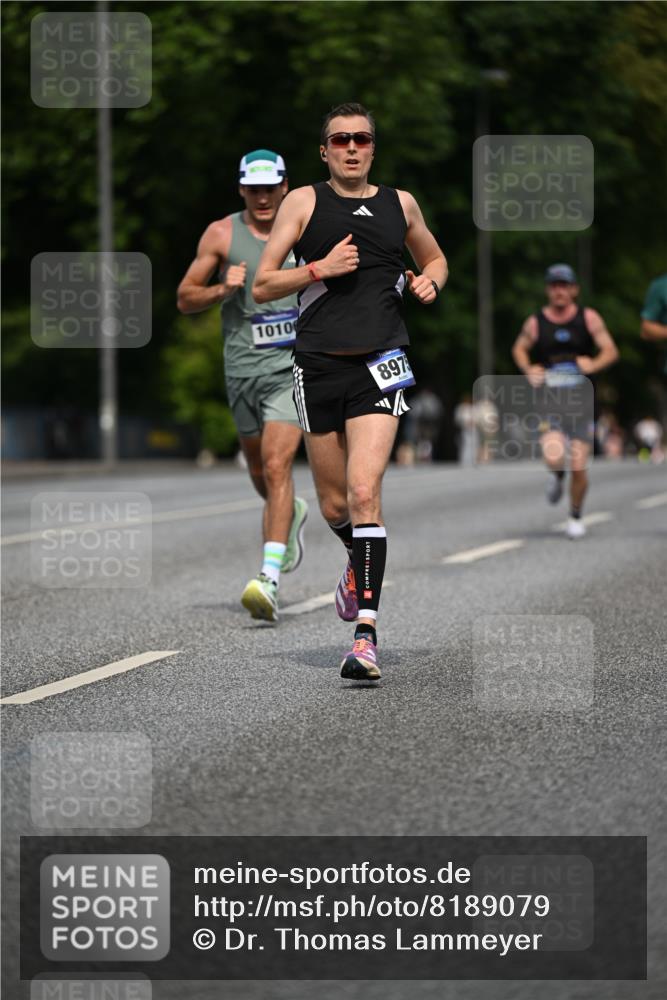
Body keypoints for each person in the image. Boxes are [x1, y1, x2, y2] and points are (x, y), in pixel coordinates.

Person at [253, 102, 447, 681]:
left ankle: (365, 637)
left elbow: (435, 257)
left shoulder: (401, 204)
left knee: (365, 493)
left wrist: (430, 281)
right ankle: (353, 558)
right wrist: (319, 268)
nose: (352, 148)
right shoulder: (302, 203)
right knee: (336, 506)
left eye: (361, 138)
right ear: (325, 151)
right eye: (341, 140)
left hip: (381, 363)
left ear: (373, 147)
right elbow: (263, 285)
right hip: (317, 367)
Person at [177, 150, 308, 622]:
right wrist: (222, 289)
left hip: (290, 369)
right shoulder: (221, 234)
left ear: (284, 186)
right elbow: (184, 297)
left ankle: (268, 577)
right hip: (241, 370)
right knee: (259, 471)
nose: (263, 197)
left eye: (270, 187)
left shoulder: (304, 229)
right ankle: (289, 512)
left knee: (276, 464)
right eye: (254, 189)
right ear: (241, 189)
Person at [512, 263, 619, 539]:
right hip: (549, 403)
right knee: (554, 456)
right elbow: (519, 349)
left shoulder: (588, 318)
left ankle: (575, 516)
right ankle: (558, 476)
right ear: (548, 290)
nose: (559, 291)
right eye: (554, 285)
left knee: (579, 464)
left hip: (582, 404)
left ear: (574, 290)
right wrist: (528, 369)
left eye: (564, 285)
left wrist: (594, 364)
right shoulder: (536, 322)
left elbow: (610, 350)